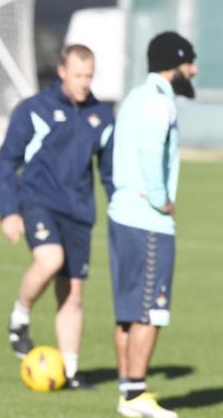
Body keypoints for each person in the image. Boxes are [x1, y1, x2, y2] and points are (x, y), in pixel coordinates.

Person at [0, 44, 114, 389]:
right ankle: (20, 317)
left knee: (73, 293)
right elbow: (7, 162)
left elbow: (109, 172)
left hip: (79, 213)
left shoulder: (102, 116)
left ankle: (72, 370)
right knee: (49, 260)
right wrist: (9, 212)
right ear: (62, 71)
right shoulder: (33, 110)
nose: (84, 82)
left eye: (89, 76)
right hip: (38, 202)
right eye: (78, 75)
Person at [108, 31, 197, 418]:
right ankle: (135, 396)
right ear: (174, 62)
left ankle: (129, 391)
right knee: (151, 311)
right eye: (189, 62)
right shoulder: (161, 103)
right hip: (148, 221)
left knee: (129, 311)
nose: (193, 70)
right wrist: (162, 201)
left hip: (121, 216)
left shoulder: (133, 98)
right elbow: (149, 151)